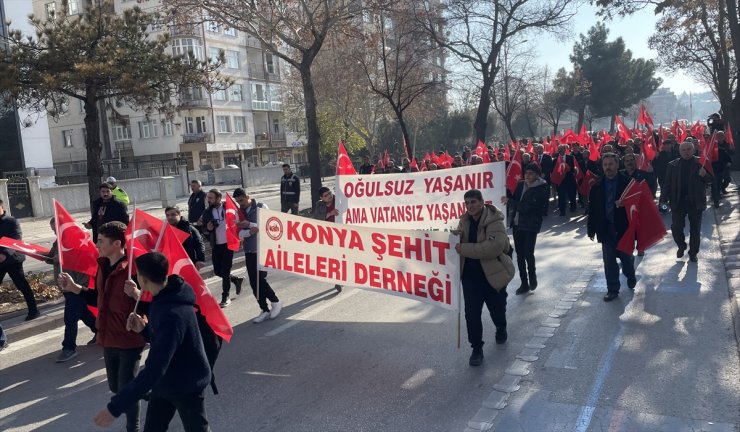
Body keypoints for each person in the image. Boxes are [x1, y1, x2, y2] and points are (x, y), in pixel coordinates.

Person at [93, 252, 211, 432]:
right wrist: (144, 330)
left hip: (186, 384)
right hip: (164, 385)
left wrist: (114, 408)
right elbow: (164, 340)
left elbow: (155, 368)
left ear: (143, 279)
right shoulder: (164, 298)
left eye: (137, 274)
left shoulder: (173, 312)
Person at [59, 221, 145, 432]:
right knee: (115, 387)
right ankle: (144, 389)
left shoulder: (134, 267)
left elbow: (152, 302)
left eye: (100, 241)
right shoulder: (102, 266)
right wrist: (74, 287)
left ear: (116, 244)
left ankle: (132, 427)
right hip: (107, 336)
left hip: (129, 337)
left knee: (125, 390)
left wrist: (137, 295)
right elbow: (98, 298)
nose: (96, 244)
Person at [454, 189, 515, 367]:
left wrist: (463, 248)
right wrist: (453, 237)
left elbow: (493, 248)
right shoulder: (464, 221)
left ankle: (501, 327)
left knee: (497, 310)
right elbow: (459, 241)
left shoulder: (495, 220)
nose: (470, 206)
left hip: (492, 275)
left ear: (482, 202)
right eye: (466, 203)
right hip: (470, 277)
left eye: (473, 202)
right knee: (471, 315)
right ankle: (477, 349)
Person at [587, 153, 637, 302]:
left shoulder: (628, 182)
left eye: (610, 164)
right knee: (609, 261)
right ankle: (612, 289)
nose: (608, 167)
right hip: (606, 228)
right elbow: (593, 210)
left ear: (617, 165)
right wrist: (591, 229)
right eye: (605, 165)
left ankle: (630, 273)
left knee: (625, 258)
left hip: (624, 228)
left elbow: (638, 204)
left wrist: (626, 203)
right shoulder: (596, 185)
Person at [47, 217, 97, 363]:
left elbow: (84, 258)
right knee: (82, 312)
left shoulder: (75, 240)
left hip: (77, 284)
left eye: (56, 228)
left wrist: (61, 259)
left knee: (70, 317)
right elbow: (51, 256)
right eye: (52, 229)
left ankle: (69, 348)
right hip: (66, 285)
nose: (55, 232)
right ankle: (100, 331)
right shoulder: (57, 242)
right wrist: (48, 257)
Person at [232, 188, 283, 322]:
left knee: (260, 279)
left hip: (263, 249)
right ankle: (264, 309)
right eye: (237, 202)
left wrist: (250, 224)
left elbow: (270, 225)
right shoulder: (239, 212)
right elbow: (239, 233)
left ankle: (275, 302)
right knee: (254, 282)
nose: (240, 204)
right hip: (249, 250)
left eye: (241, 200)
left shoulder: (261, 206)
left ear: (248, 196)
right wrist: (249, 232)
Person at [501, 164, 549, 295]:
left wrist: (509, 201)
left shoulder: (541, 188)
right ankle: (524, 283)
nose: (527, 175)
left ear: (537, 175)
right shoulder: (521, 185)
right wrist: (505, 190)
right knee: (520, 256)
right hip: (517, 225)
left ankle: (532, 277)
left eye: (531, 173)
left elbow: (526, 207)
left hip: (530, 225)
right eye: (526, 173)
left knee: (528, 253)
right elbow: (515, 198)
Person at [660, 141, 712, 262]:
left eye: (689, 149)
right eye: (683, 150)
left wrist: (705, 175)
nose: (686, 152)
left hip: (695, 202)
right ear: (679, 151)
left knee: (695, 229)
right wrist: (663, 200)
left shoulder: (701, 163)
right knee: (676, 228)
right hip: (678, 201)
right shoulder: (672, 165)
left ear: (693, 150)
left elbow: (711, 181)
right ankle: (681, 245)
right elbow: (666, 185)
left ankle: (693, 253)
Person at [199, 189, 243, 307]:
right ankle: (235, 279)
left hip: (229, 243)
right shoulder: (207, 212)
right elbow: (203, 230)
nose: (209, 200)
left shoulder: (228, 208)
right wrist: (208, 228)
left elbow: (238, 219)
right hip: (216, 244)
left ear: (218, 198)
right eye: (208, 198)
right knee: (218, 271)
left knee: (225, 270)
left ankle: (225, 296)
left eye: (211, 198)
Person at [0, 200, 39, 321]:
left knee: (21, 284)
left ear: (1, 207)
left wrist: (4, 254)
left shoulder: (11, 221)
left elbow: (16, 240)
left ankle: (34, 310)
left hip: (13, 259)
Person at [313, 186, 343, 293]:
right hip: (328, 235)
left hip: (342, 233)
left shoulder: (339, 199)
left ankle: (341, 278)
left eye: (329, 193)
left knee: (341, 256)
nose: (329, 196)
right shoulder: (319, 205)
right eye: (326, 195)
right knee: (333, 257)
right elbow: (317, 219)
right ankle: (338, 279)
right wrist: (330, 213)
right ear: (322, 198)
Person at [552, 144, 578, 216]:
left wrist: (570, 169)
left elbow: (575, 168)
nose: (560, 150)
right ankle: (562, 210)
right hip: (560, 181)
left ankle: (573, 206)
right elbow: (553, 171)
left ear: (565, 149)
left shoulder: (571, 158)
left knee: (572, 195)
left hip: (570, 180)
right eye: (559, 149)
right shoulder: (555, 160)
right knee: (561, 196)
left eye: (562, 149)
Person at [711, 131, 733, 208]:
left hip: (725, 165)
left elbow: (731, 153)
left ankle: (723, 188)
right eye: (718, 135)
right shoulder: (712, 145)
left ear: (724, 136)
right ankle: (716, 198)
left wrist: (729, 161)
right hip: (715, 167)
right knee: (716, 183)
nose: (720, 136)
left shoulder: (727, 144)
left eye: (721, 135)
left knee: (727, 179)